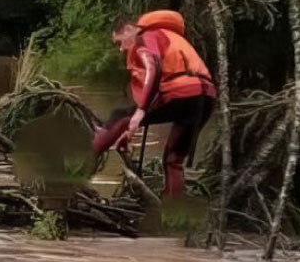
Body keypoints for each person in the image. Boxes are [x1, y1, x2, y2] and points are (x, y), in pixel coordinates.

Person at [92, 10, 216, 197]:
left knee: (120, 115)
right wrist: (129, 128)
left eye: (119, 42)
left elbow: (153, 66)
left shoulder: (145, 36)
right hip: (205, 98)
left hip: (181, 93)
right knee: (173, 160)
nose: (121, 49)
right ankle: (173, 217)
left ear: (128, 29)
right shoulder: (169, 36)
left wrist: (140, 111)